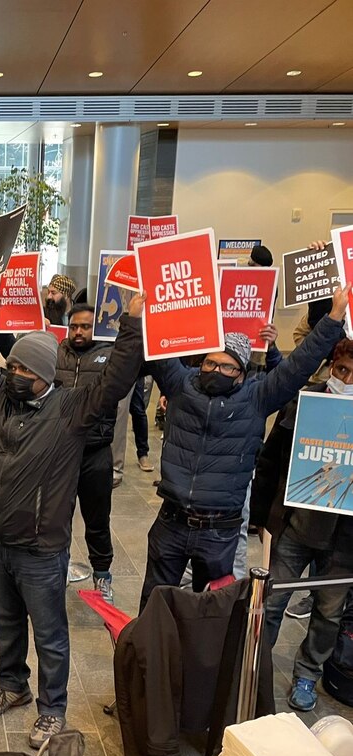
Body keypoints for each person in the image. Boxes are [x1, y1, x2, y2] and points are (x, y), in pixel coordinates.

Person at [0, 276, 145, 748]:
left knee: (50, 633)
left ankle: (52, 707)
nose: (13, 371)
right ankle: (13, 685)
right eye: (12, 363)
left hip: (40, 547)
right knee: (6, 623)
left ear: (44, 374)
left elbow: (116, 379)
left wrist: (133, 324)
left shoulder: (71, 409)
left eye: (23, 368)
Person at [139, 284, 349, 610]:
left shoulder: (257, 398)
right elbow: (157, 348)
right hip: (171, 524)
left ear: (242, 373)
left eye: (227, 367)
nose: (216, 371)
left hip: (219, 534)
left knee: (212, 615)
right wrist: (140, 314)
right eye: (210, 363)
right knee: (154, 609)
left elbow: (300, 366)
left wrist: (334, 318)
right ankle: (150, 661)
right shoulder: (181, 386)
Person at [251, 338, 353, 711]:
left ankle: (308, 675)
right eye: (341, 370)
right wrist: (262, 518)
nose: (346, 379)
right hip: (296, 525)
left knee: (329, 613)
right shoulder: (303, 402)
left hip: (345, 541)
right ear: (331, 366)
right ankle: (255, 668)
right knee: (273, 601)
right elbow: (270, 460)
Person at [54, 302, 117, 602]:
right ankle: (56, 571)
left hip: (95, 452)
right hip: (61, 452)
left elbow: (141, 358)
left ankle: (102, 576)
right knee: (55, 517)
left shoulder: (111, 356)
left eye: (86, 326)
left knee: (97, 521)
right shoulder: (55, 352)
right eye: (74, 326)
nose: (78, 332)